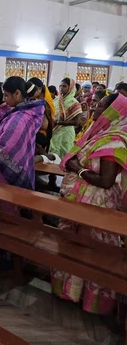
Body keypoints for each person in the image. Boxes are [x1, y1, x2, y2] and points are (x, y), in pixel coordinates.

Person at [51, 93, 127, 315]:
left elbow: (106, 181)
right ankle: (70, 292)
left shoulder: (115, 139)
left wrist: (77, 169)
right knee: (73, 245)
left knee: (93, 251)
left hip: (98, 206)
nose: (94, 108)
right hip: (80, 201)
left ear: (113, 112)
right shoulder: (98, 133)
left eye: (100, 106)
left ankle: (91, 301)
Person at [0, 77, 45, 216]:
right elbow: (10, 140)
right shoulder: (27, 113)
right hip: (19, 164)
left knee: (3, 208)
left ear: (17, 93)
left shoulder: (19, 118)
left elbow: (7, 151)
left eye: (6, 95)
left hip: (6, 173)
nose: (4, 99)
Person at [50, 78, 83, 159]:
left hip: (66, 133)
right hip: (55, 131)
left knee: (64, 153)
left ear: (70, 87)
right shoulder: (56, 100)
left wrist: (59, 122)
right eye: (60, 86)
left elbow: (77, 122)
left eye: (64, 86)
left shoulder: (74, 103)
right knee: (53, 153)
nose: (61, 88)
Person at [27, 77, 55, 144]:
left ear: (39, 89)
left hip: (40, 136)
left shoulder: (43, 104)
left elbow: (44, 125)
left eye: (32, 89)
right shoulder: (33, 100)